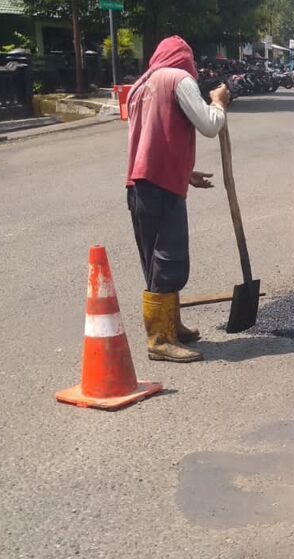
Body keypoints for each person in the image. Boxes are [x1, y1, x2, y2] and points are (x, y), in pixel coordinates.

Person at [125, 36, 229, 363]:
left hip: (140, 185)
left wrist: (184, 173)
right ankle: (159, 339)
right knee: (168, 261)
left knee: (155, 260)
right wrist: (219, 102)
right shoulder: (178, 79)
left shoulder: (141, 85)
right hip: (161, 187)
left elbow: (153, 139)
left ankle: (171, 324)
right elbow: (209, 125)